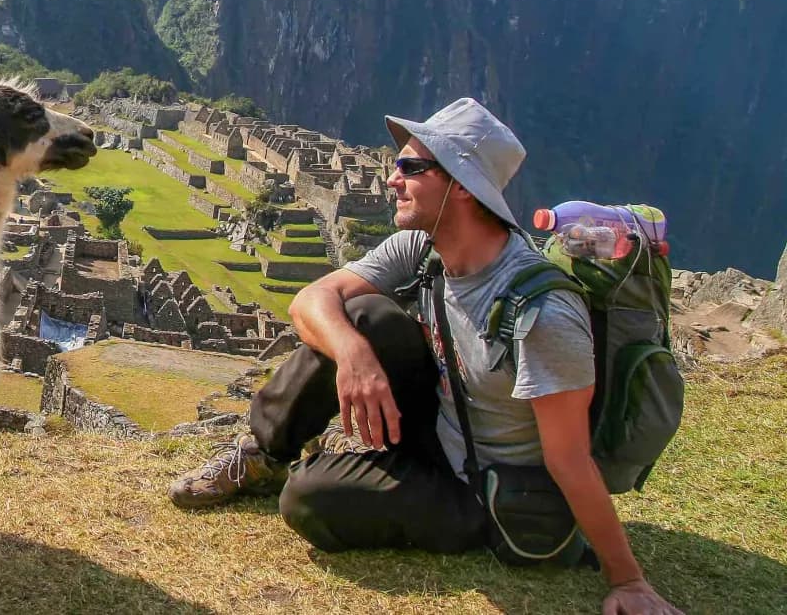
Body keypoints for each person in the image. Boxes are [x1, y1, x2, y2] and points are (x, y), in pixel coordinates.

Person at [167, 98, 680, 615]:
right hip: (439, 429)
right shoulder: (422, 248)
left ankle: (333, 475)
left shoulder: (543, 313)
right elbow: (311, 300)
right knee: (362, 317)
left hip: (488, 490)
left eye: (410, 167)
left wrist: (627, 578)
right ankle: (262, 456)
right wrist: (353, 358)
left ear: (459, 186)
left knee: (309, 499)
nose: (392, 178)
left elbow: (569, 459)